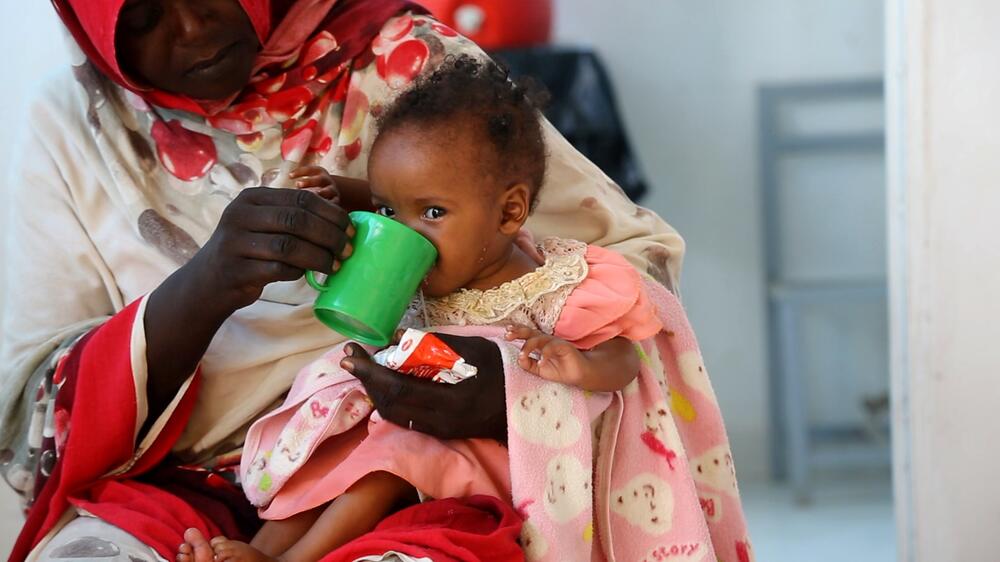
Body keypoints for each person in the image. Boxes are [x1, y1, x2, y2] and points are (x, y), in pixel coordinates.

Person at [0, 0, 723, 561]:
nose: (192, 26)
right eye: (146, 15)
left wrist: (511, 396)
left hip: (431, 479)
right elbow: (29, 433)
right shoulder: (75, 128)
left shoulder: (410, 64)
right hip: (183, 491)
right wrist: (207, 285)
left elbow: (634, 281)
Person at [194, 55, 659, 562]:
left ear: (509, 212)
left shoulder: (549, 282)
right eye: (389, 211)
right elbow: (398, 197)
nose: (403, 230)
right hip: (412, 423)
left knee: (388, 458)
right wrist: (339, 194)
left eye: (432, 213)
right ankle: (254, 550)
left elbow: (626, 359)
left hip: (486, 453)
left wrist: (579, 363)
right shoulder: (443, 257)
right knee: (343, 454)